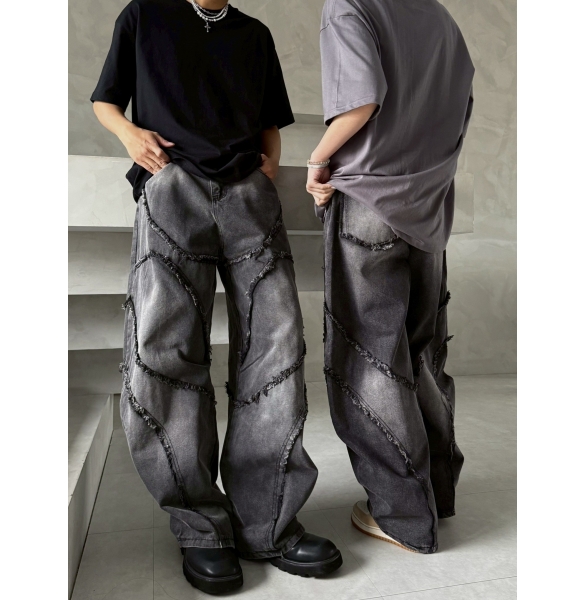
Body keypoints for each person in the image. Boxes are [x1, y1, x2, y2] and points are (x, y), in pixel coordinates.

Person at [91, 0, 342, 593]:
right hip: (172, 188)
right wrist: (131, 136)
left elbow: (269, 118)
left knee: (277, 351)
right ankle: (200, 525)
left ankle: (267, 523)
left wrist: (268, 166)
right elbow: (106, 99)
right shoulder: (145, 15)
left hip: (248, 195)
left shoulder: (254, 34)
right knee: (166, 353)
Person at [306, 0, 474, 554]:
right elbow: (459, 114)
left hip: (368, 200)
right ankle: (437, 495)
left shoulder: (348, 5)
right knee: (423, 354)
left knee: (369, 358)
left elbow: (360, 102)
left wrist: (317, 162)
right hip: (428, 209)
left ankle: (402, 516)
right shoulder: (441, 19)